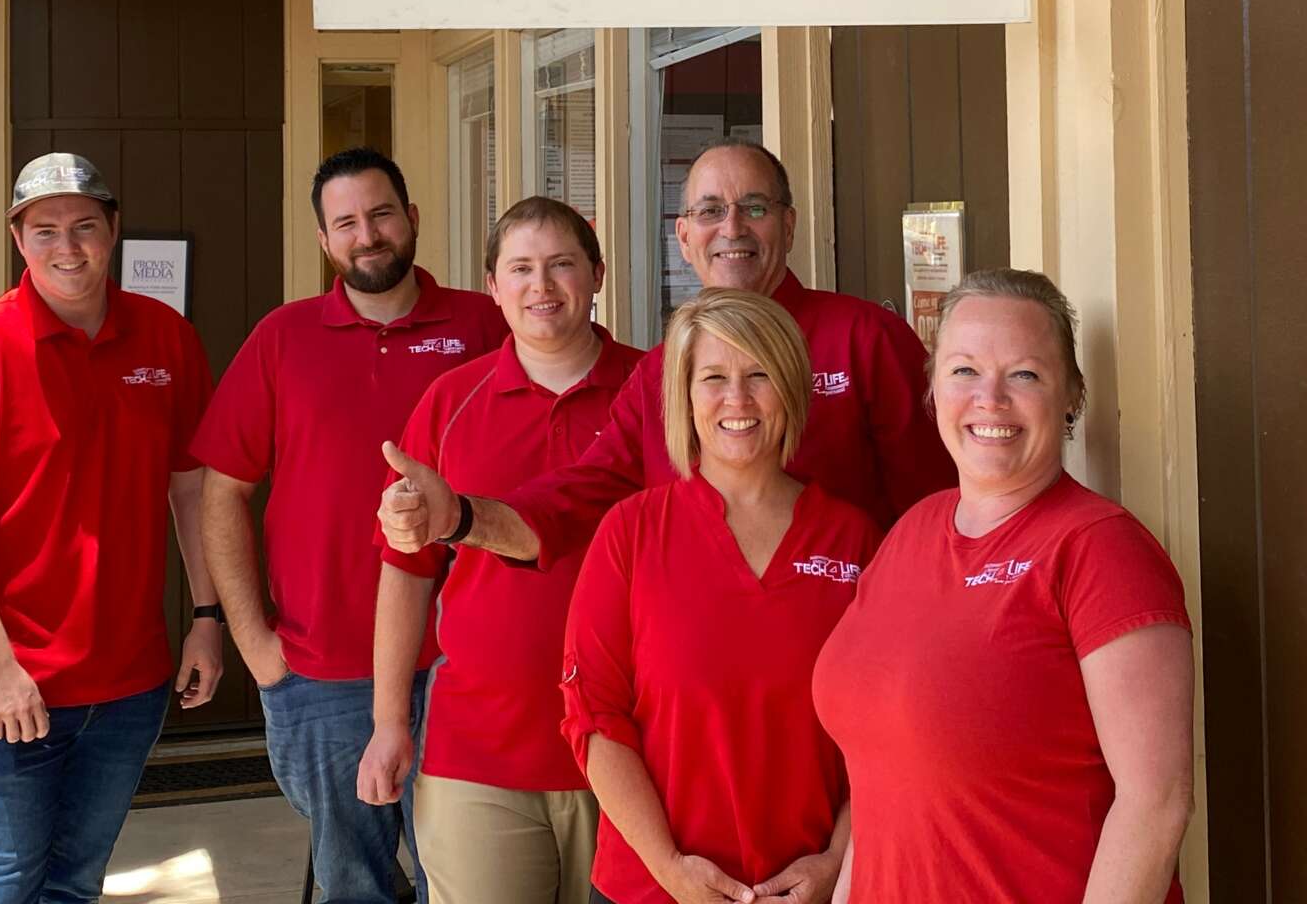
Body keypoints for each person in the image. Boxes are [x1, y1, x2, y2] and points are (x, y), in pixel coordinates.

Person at [377, 141, 949, 569]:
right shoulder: (660, 372)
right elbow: (576, 499)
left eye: (754, 207)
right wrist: (462, 518)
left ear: (789, 224)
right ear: (683, 237)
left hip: (843, 647)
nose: (732, 227)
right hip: (696, 659)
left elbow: (938, 510)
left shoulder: (866, 339)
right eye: (710, 211)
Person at [811, 269, 1195, 904]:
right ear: (933, 388)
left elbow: (1155, 803)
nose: (989, 398)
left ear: (1071, 395)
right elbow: (883, 788)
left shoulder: (1100, 550)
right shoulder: (910, 533)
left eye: (1024, 375)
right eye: (964, 370)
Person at [0, 152, 223, 904]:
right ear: (19, 239)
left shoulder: (167, 339)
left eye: (84, 226)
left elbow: (191, 488)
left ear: (113, 230)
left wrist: (208, 617)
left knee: (76, 884)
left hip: (127, 683)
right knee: (1, 887)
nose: (67, 247)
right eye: (44, 230)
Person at [196, 147, 507, 904]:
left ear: (412, 219)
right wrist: (256, 645)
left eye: (381, 214)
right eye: (346, 223)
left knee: (465, 882)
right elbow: (222, 492)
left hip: (465, 664)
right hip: (320, 673)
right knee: (353, 887)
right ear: (324, 240)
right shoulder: (283, 338)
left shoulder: (485, 324)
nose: (367, 235)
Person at [358, 197, 645, 904]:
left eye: (561, 265)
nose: (540, 286)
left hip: (637, 748)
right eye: (520, 269)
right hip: (479, 752)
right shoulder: (451, 400)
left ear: (598, 273)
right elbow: (405, 571)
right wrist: (389, 724)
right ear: (492, 286)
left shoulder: (655, 392)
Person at [562, 289, 881, 904]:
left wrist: (837, 860)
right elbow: (594, 720)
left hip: (808, 886)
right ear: (684, 398)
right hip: (652, 887)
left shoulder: (854, 540)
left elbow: (880, 732)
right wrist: (670, 869)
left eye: (759, 374)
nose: (737, 399)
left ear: (791, 388)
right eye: (713, 377)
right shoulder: (631, 532)